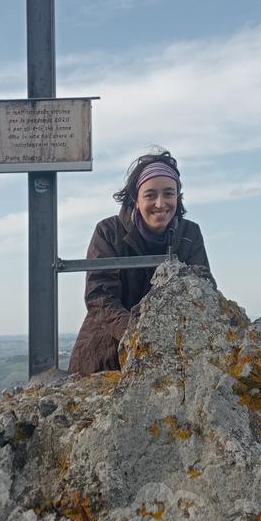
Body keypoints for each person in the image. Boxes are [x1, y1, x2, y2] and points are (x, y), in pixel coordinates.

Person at [68, 149, 210, 376]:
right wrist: (140, 335)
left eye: (169, 193)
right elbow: (100, 296)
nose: (160, 203)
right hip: (105, 357)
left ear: (178, 197)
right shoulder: (108, 231)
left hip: (168, 359)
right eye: (150, 195)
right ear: (135, 198)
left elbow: (203, 292)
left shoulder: (189, 233)